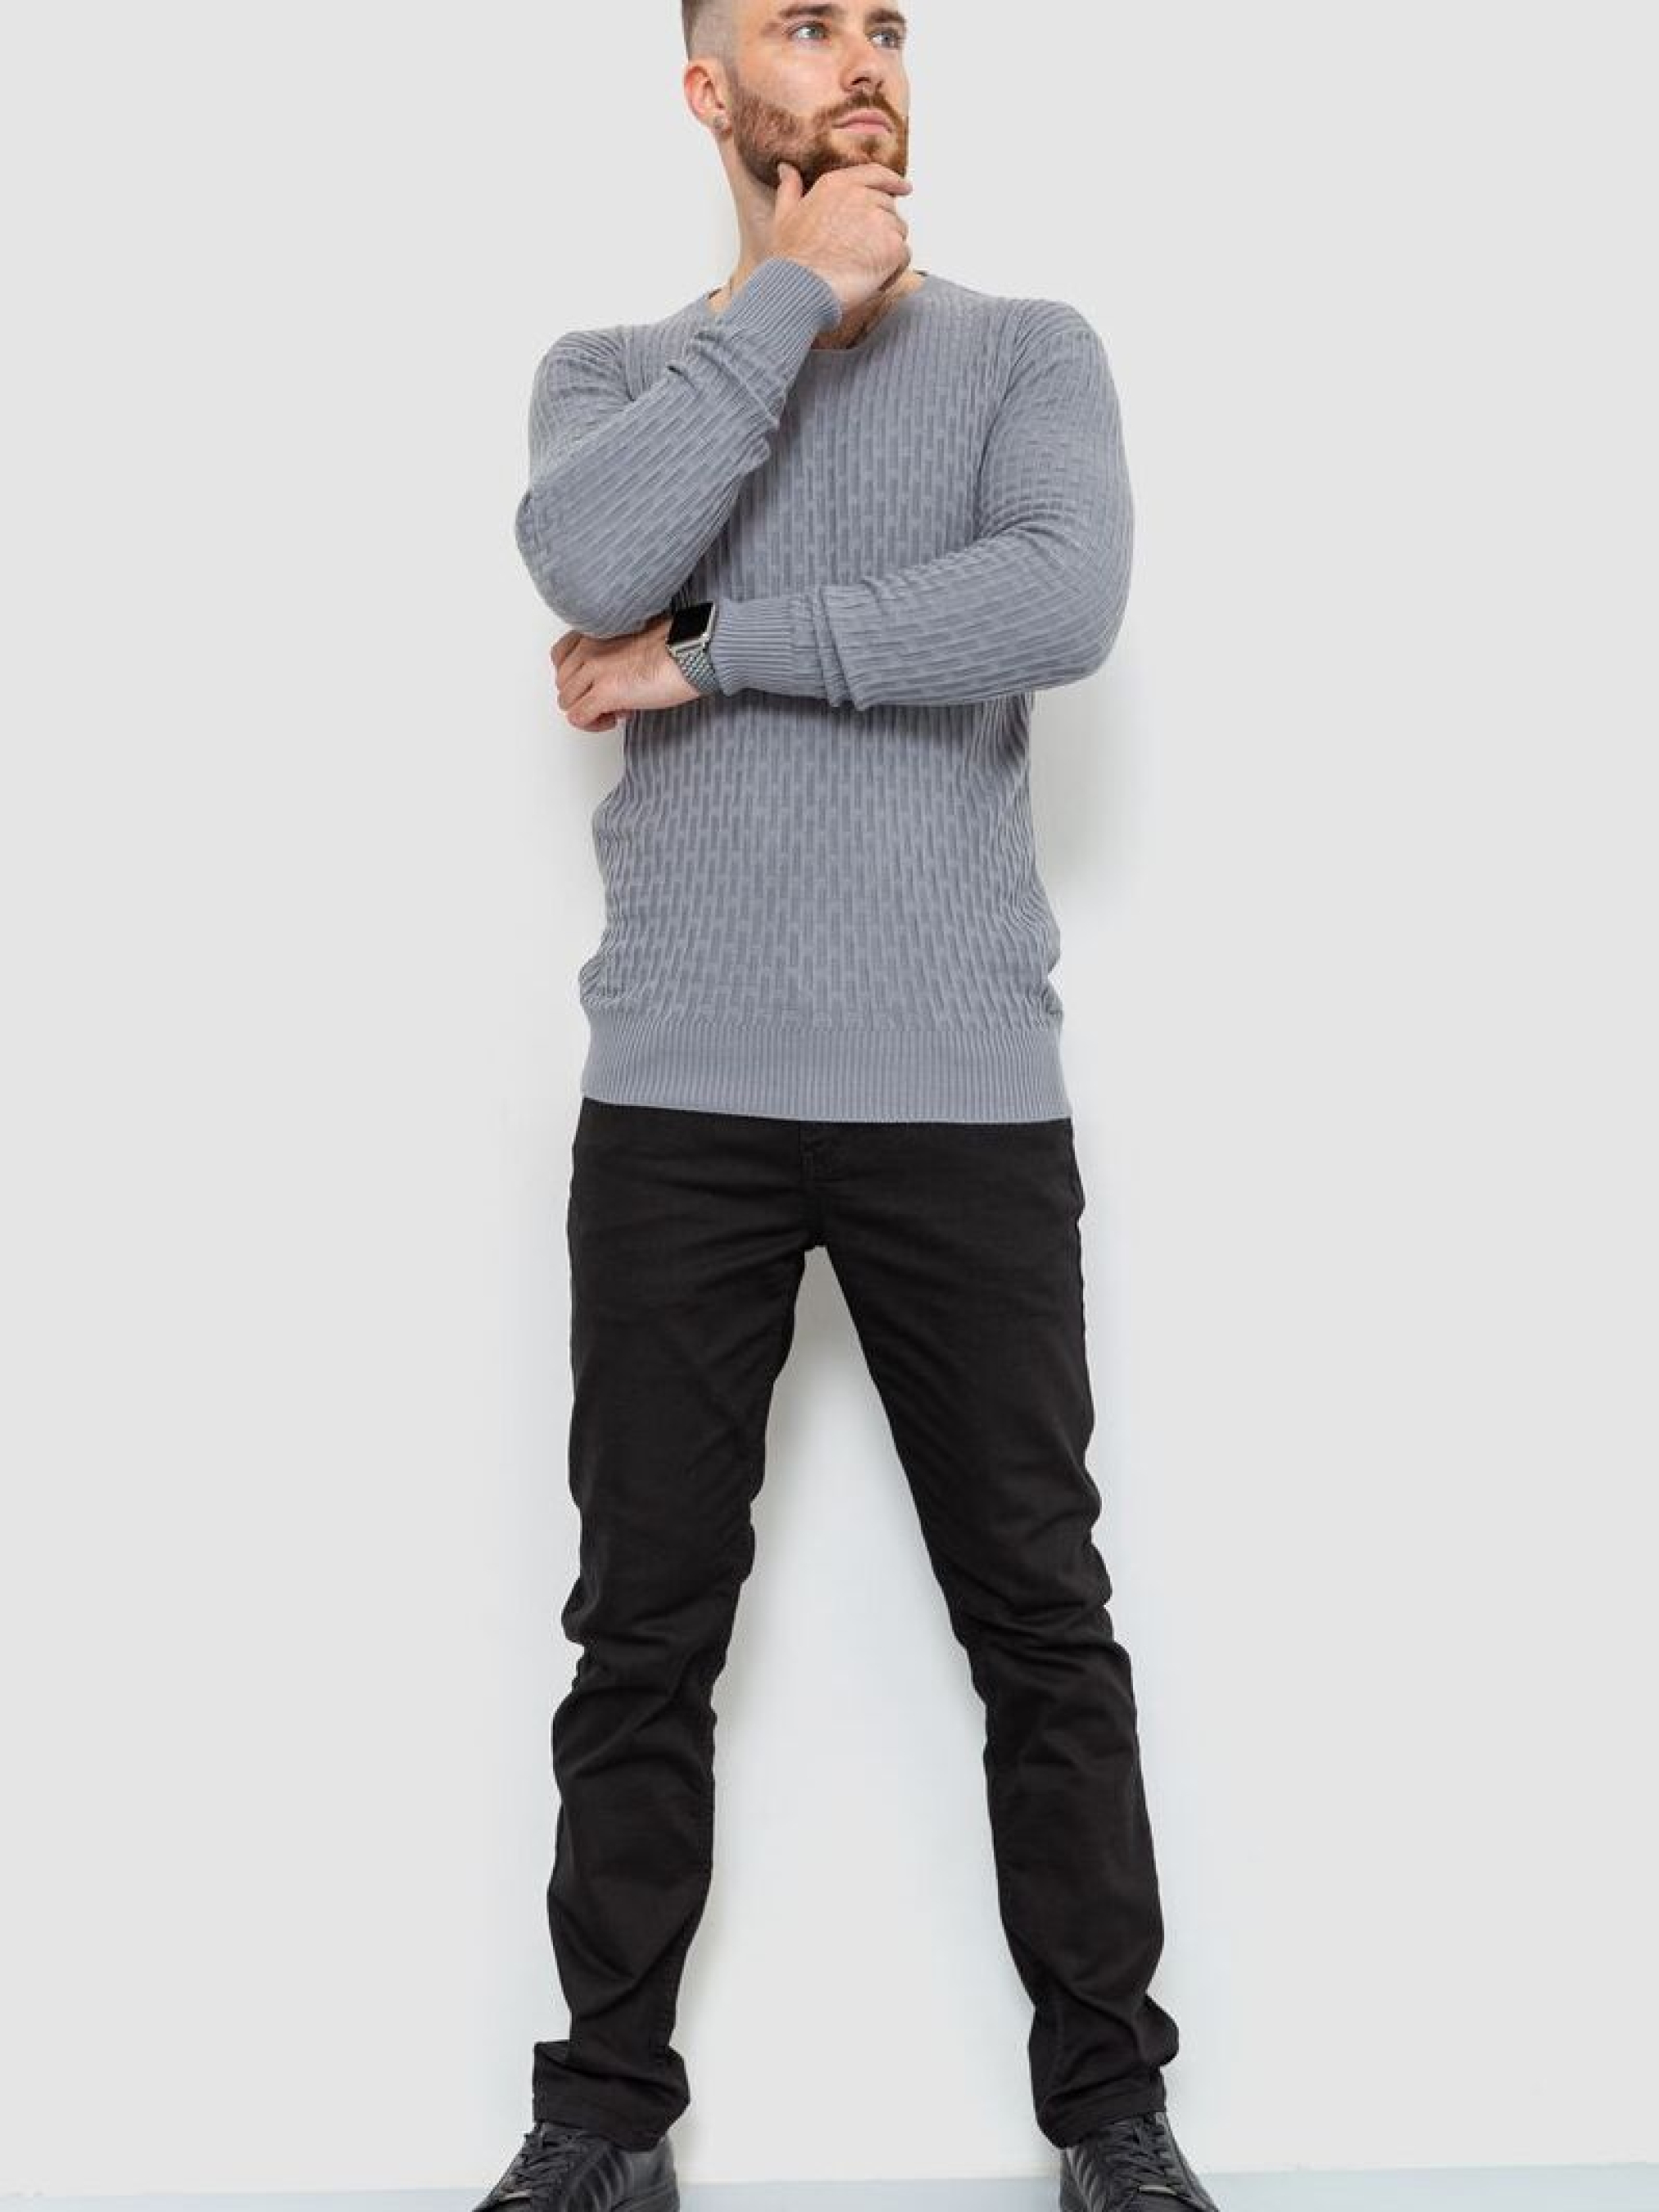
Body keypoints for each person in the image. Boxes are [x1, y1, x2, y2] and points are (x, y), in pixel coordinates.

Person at [475, 4, 1221, 2208]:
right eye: (806, 21)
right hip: (676, 1098)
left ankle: (1112, 2121)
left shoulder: (1026, 353)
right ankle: (599, 2125)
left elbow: (1056, 599)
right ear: (711, 92)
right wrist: (790, 298)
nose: (868, 53)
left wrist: (710, 650)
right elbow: (588, 566)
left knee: (1041, 1617)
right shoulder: (618, 373)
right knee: (642, 1630)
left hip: (957, 1094)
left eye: (889, 19)